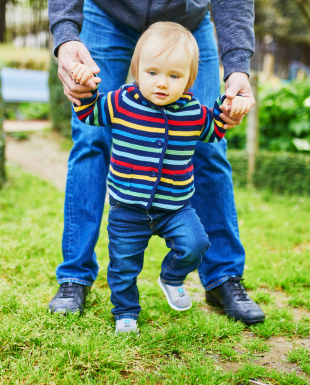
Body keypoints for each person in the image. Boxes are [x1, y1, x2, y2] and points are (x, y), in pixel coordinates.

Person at [47, 0, 266, 325]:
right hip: (108, 13)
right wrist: (66, 36)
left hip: (188, 24)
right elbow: (90, 110)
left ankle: (222, 278)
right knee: (91, 139)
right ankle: (74, 278)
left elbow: (214, 123)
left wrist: (235, 74)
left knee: (212, 149)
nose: (162, 83)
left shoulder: (192, 108)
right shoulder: (123, 100)